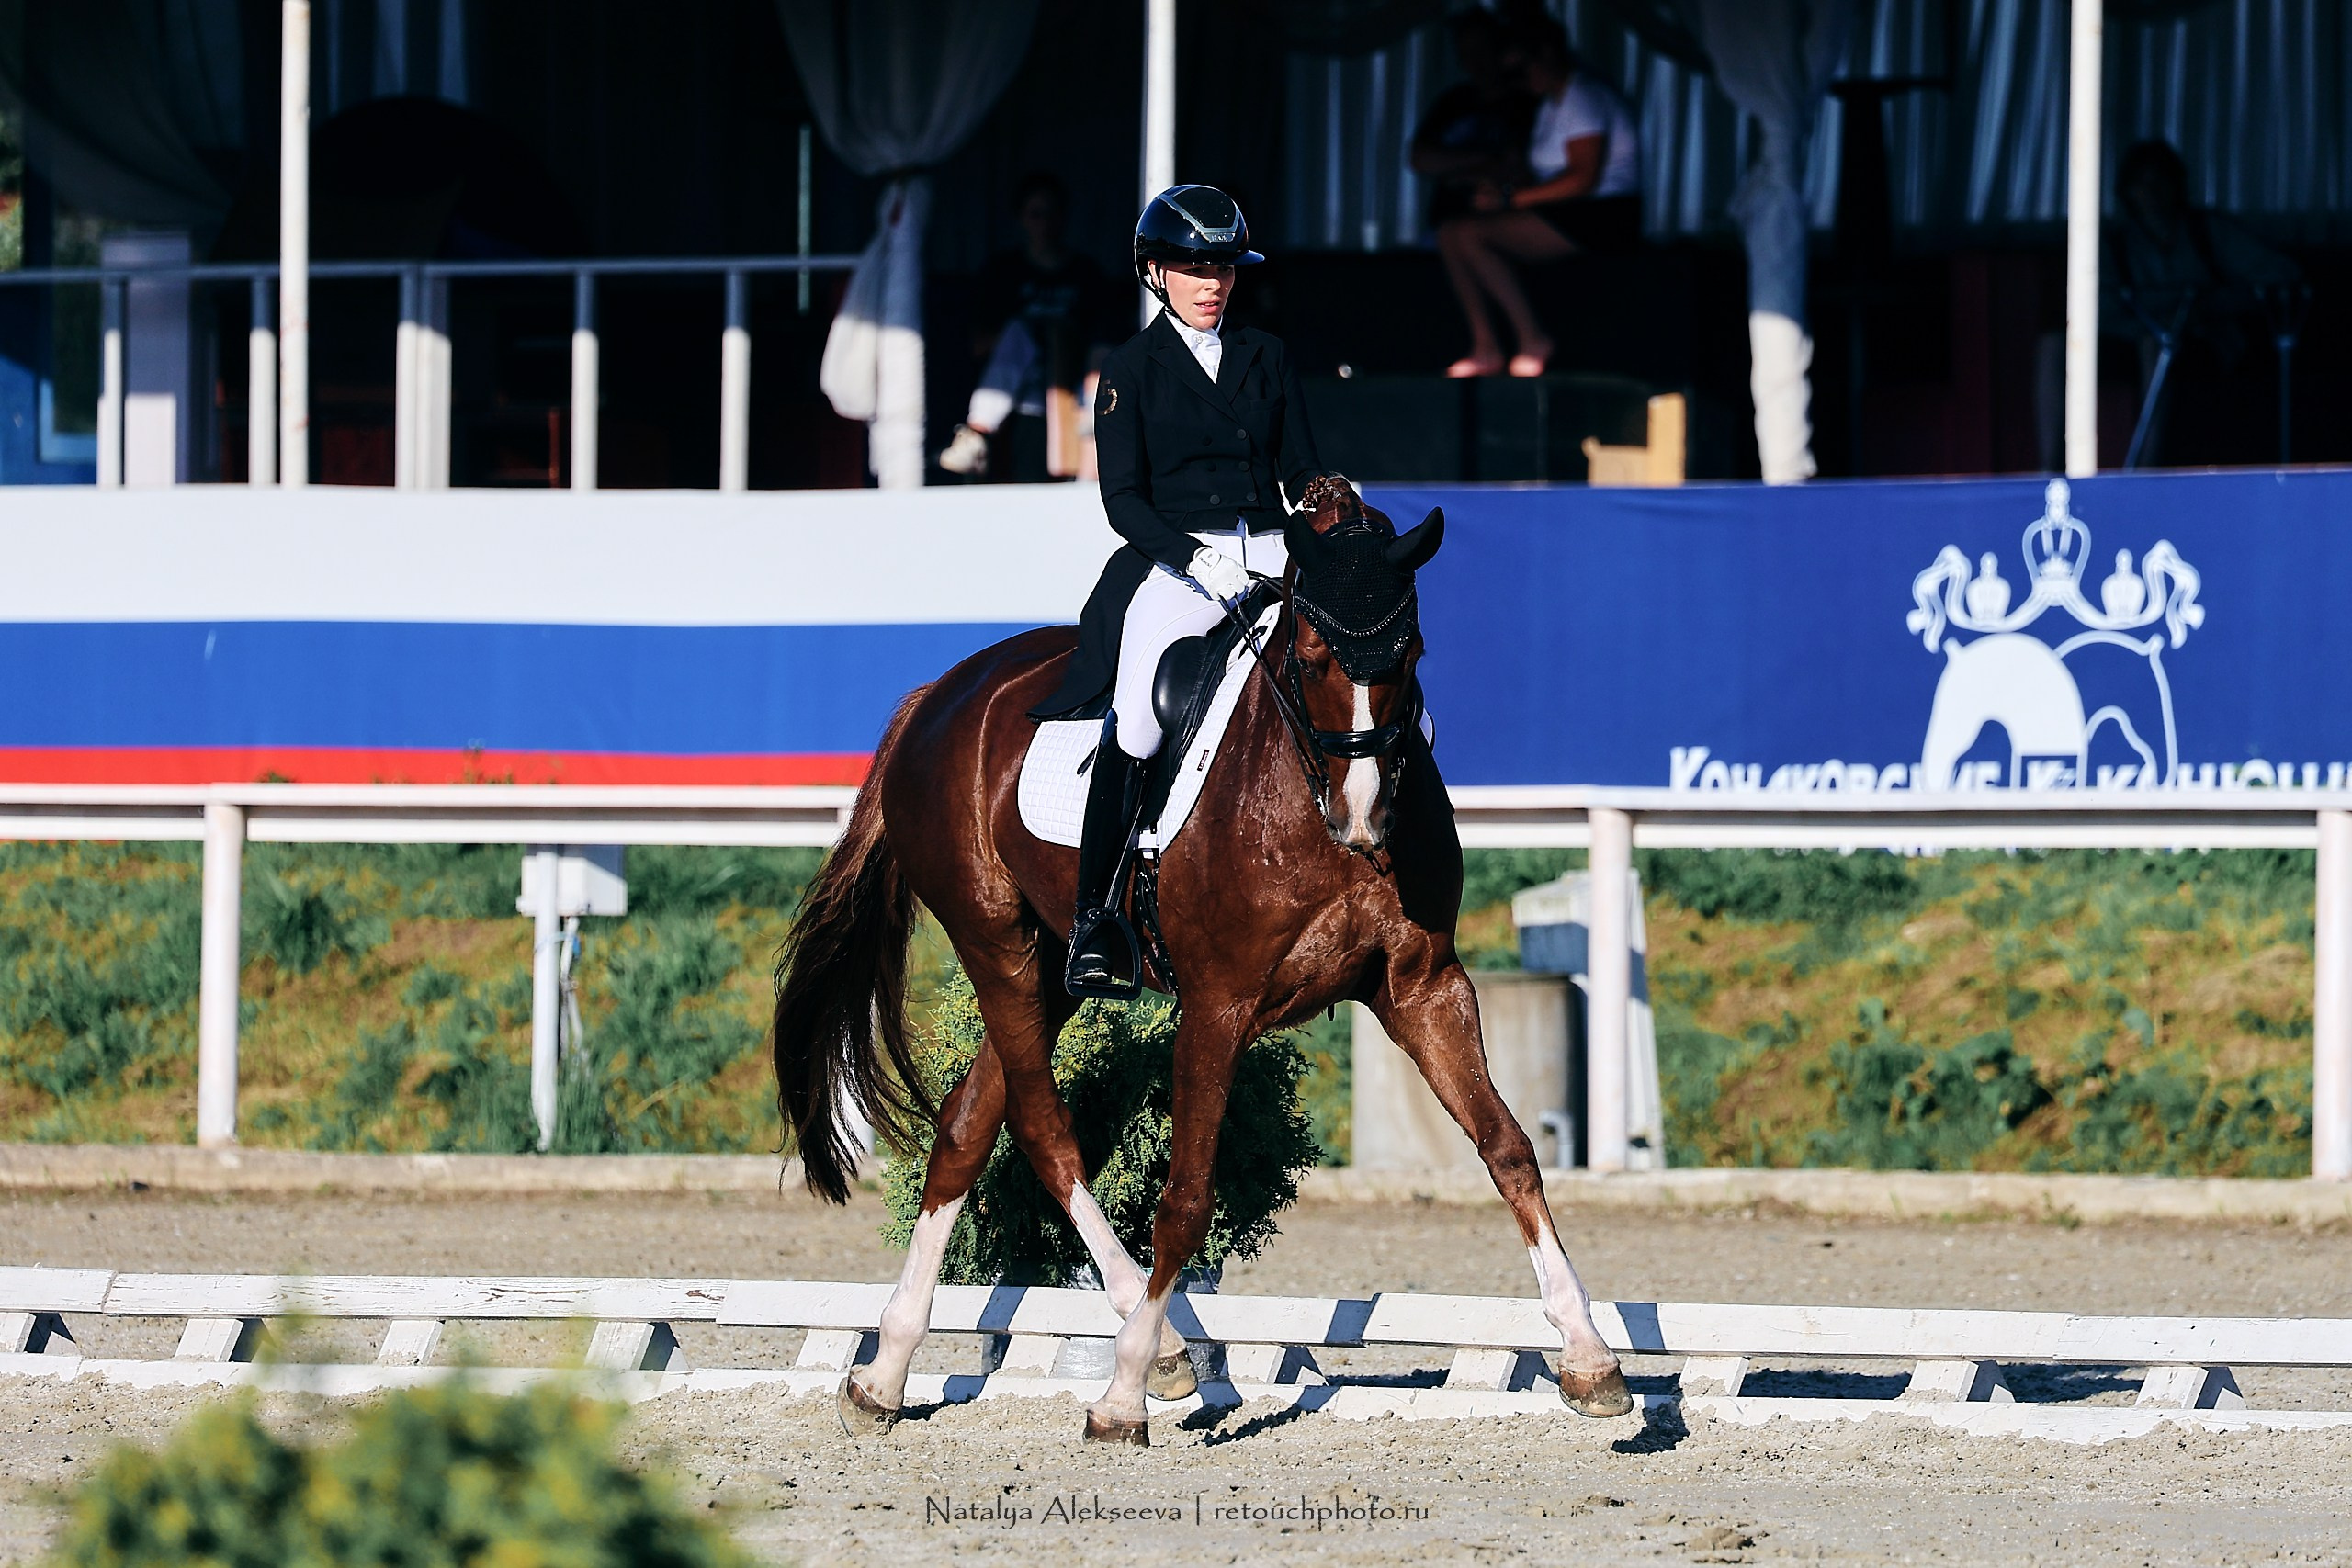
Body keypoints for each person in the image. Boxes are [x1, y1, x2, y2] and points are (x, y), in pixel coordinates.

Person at [1028, 184, 1331, 998]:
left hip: (1272, 550)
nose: (1212, 283)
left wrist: (1323, 495)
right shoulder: (1130, 370)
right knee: (1134, 709)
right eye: (1194, 267)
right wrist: (1197, 559)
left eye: (1224, 268)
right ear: (1155, 272)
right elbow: (1122, 500)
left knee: (1357, 652)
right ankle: (1095, 919)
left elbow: (1297, 465)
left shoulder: (1266, 353)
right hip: (1181, 563)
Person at [1435, 16, 1640, 378]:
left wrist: (1511, 200)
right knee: (1451, 233)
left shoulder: (1584, 97)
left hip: (1602, 215)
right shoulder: (1550, 105)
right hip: (1567, 211)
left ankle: (1532, 339)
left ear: (1545, 55)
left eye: (1523, 68)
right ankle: (1486, 347)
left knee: (1468, 233)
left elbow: (1582, 179)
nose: (1522, 80)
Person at [939, 173, 1117, 481]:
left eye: (1052, 214)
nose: (1044, 224)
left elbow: (1105, 339)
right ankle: (977, 432)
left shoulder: (1086, 273)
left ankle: (980, 429)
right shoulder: (1004, 272)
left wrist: (1058, 335)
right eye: (1036, 214)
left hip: (1074, 385)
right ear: (1021, 219)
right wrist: (1034, 332)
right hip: (1024, 396)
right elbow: (978, 343)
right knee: (1019, 332)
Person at [1409, 9, 1537, 235]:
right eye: (1466, 52)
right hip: (1444, 225)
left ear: (1499, 51)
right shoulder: (1452, 102)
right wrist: (1486, 158)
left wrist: (1458, 169)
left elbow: (1521, 168)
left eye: (1482, 50)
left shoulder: (1527, 104)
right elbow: (1420, 159)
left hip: (1504, 227)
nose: (1475, 61)